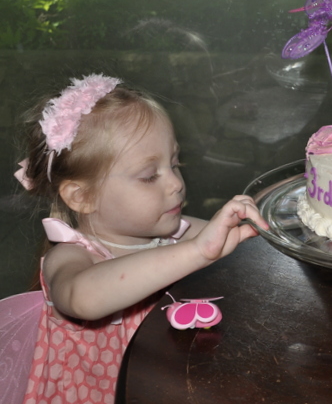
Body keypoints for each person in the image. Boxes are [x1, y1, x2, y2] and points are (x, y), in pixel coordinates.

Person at [14, 73, 268, 404]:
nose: (176, 183)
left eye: (175, 163)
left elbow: (236, 241)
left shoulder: (174, 230)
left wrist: (261, 222)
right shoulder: (72, 257)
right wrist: (196, 251)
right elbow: (83, 300)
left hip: (161, 379)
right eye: (150, 177)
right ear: (82, 197)